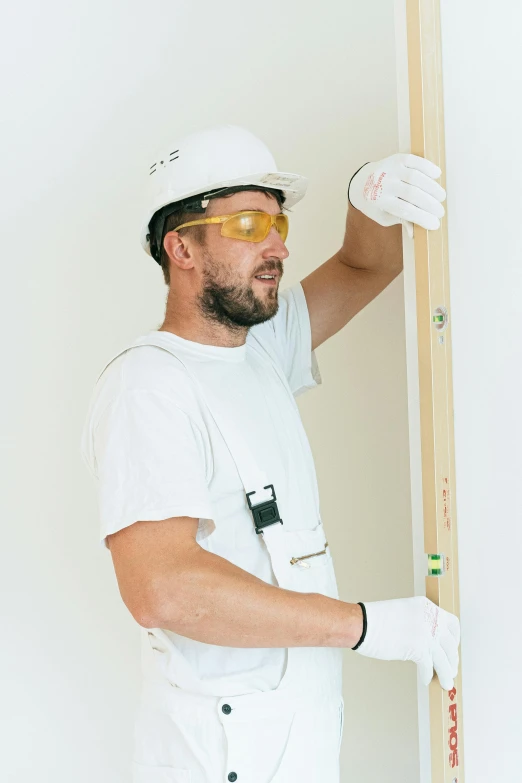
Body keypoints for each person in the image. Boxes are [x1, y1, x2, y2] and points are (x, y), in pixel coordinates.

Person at [81, 124, 460, 783]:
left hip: (292, 741)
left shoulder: (259, 349)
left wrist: (364, 197)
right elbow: (160, 587)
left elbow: (367, 264)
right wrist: (367, 625)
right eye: (250, 225)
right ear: (181, 247)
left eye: (279, 223)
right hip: (218, 756)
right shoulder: (150, 386)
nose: (280, 245)